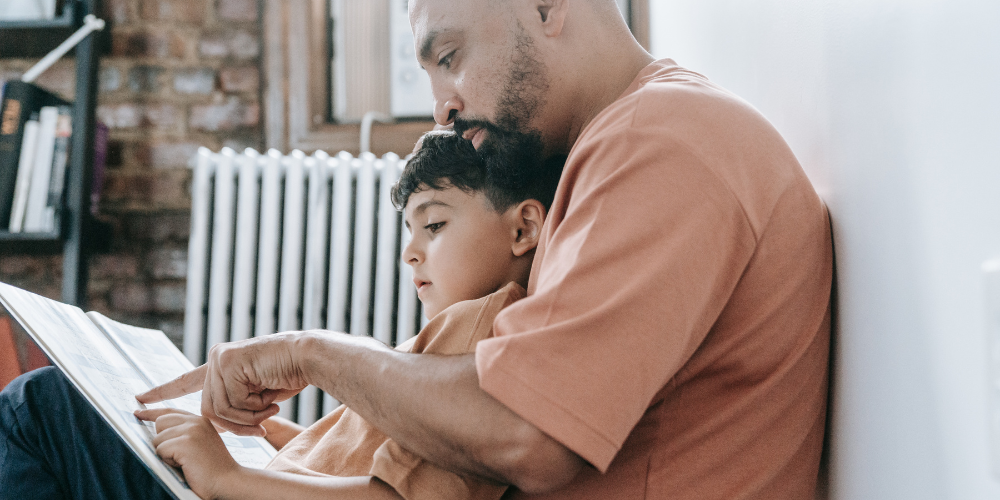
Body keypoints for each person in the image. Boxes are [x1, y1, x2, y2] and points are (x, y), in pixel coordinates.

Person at [5, 0, 834, 498]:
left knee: (40, 412)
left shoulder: (668, 143)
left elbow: (524, 435)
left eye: (449, 54)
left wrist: (309, 354)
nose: (442, 105)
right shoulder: (610, 151)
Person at [0, 131, 563, 500]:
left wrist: (229, 476)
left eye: (434, 226)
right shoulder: (456, 336)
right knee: (83, 406)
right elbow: (352, 459)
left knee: (38, 406)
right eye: (409, 233)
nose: (409, 253)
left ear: (523, 228)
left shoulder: (485, 328)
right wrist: (261, 430)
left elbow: (394, 497)